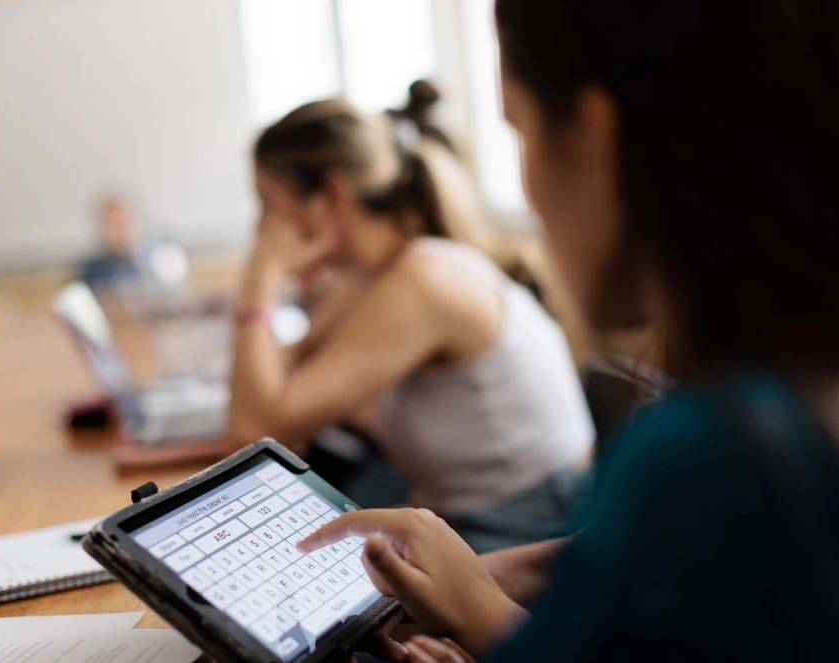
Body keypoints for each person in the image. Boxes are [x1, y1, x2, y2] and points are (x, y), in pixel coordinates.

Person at [298, 0, 839, 660]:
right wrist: (483, 585)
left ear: (593, 137)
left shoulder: (716, 454)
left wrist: (485, 617)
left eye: (520, 131)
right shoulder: (774, 410)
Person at [227, 87, 595, 552]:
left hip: (526, 524)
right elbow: (279, 381)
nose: (262, 230)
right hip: (457, 503)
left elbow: (252, 431)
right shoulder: (369, 277)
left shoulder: (419, 284)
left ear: (333, 194)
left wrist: (262, 275)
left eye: (268, 205)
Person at [78, 195, 145, 288]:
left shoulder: (143, 266)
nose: (119, 232)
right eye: (113, 226)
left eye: (122, 224)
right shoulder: (93, 273)